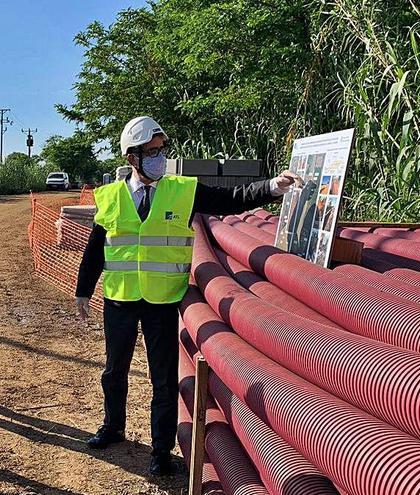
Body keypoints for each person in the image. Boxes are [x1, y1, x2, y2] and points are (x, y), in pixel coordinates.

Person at [75, 116, 300, 476]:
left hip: (162, 302)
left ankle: (160, 449)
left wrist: (273, 186)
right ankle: (113, 426)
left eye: (161, 150)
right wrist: (83, 291)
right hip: (119, 300)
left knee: (162, 378)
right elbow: (96, 247)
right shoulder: (109, 196)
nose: (159, 158)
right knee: (114, 369)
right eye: (151, 152)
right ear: (131, 157)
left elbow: (231, 199)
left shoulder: (183, 190)